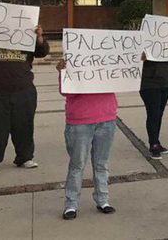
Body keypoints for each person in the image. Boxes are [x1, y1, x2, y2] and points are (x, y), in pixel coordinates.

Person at [0, 24, 48, 175]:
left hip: (23, 91)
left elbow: (42, 52)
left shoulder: (25, 34)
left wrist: (39, 37)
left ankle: (25, 157)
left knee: (24, 126)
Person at [56, 59, 118, 220]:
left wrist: (134, 63)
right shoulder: (72, 62)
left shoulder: (110, 62)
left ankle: (103, 199)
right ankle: (71, 204)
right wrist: (64, 72)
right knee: (77, 164)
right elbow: (67, 92)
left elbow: (123, 81)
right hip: (80, 121)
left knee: (101, 163)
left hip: (106, 118)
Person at [139, 42, 168, 160]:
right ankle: (153, 144)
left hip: (165, 81)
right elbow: (132, 59)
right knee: (153, 113)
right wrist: (140, 57)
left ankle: (156, 142)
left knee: (159, 113)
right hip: (148, 82)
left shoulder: (166, 40)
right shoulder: (143, 39)